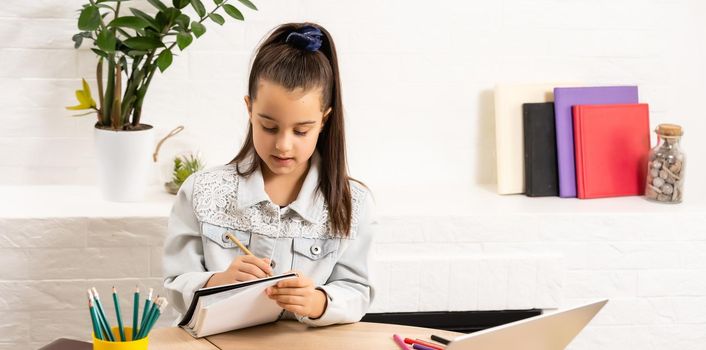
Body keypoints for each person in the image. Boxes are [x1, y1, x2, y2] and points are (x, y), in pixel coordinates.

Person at [163, 22, 376, 327]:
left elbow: (357, 291)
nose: (283, 145)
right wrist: (217, 281)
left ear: (324, 120)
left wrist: (317, 302)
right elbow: (174, 284)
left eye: (301, 130)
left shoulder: (352, 203)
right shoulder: (201, 191)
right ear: (249, 109)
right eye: (269, 126)